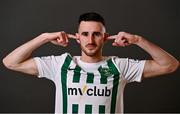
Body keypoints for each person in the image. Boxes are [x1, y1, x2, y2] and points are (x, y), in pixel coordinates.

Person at [2, 12, 179, 113]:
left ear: (105, 38)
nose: (90, 40)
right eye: (85, 34)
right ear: (77, 38)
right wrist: (44, 37)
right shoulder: (60, 64)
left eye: (96, 34)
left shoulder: (119, 66)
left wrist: (138, 40)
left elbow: (170, 65)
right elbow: (10, 62)